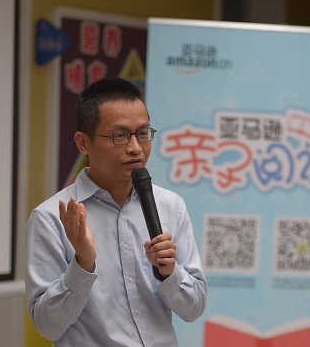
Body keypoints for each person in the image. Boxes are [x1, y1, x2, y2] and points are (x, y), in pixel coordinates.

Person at [25, 77, 207, 347]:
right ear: (83, 143)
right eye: (119, 136)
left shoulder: (170, 205)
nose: (135, 148)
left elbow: (194, 309)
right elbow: (47, 325)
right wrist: (83, 264)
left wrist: (169, 274)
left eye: (142, 133)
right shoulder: (51, 218)